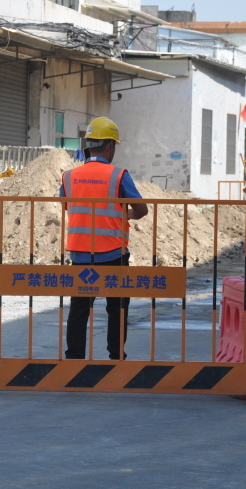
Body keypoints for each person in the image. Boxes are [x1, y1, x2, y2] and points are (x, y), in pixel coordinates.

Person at [60, 117, 149, 360]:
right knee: (117, 307)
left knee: (79, 307)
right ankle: (116, 356)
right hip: (113, 253)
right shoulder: (119, 175)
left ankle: (74, 358)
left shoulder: (68, 176)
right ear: (109, 146)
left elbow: (68, 206)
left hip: (80, 253)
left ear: (89, 145)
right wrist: (125, 214)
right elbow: (142, 210)